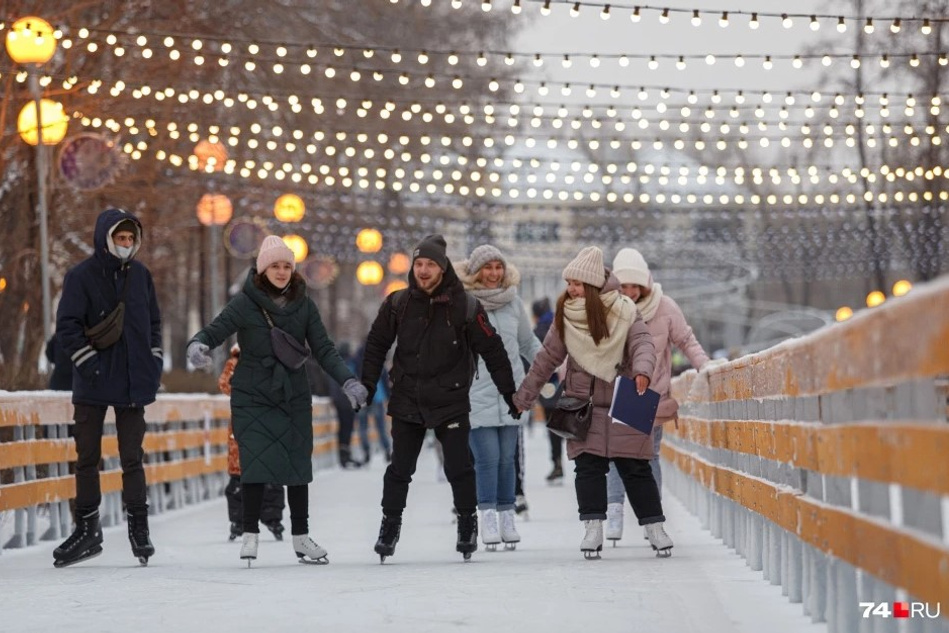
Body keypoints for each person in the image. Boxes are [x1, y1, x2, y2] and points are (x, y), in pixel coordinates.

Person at [187, 235, 367, 566]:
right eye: (275, 266)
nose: (282, 272)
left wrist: (348, 380)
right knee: (254, 463)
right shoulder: (245, 303)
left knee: (298, 465)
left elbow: (324, 348)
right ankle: (250, 534)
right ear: (262, 270)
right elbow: (217, 328)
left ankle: (301, 537)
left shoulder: (304, 305)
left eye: (287, 266)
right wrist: (199, 344)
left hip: (292, 395)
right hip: (252, 394)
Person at [359, 234, 517, 562]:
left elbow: (493, 349)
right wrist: (368, 386)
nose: (424, 270)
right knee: (400, 468)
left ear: (443, 269)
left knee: (459, 467)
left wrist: (509, 393)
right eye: (419, 264)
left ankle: (466, 523)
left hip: (451, 398)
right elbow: (375, 344)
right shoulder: (398, 303)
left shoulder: (466, 306)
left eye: (431, 264)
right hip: (407, 398)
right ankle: (390, 526)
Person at [513, 246, 673, 559]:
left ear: (593, 285)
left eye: (576, 283)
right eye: (568, 283)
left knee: (636, 467)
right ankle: (593, 527)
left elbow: (643, 343)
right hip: (582, 401)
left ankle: (655, 527)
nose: (570, 289)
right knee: (588, 468)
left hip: (629, 394)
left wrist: (642, 371)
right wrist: (524, 397)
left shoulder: (625, 310)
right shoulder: (566, 319)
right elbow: (545, 360)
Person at [52, 208, 163, 568]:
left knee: (133, 457)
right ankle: (87, 528)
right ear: (106, 238)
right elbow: (66, 326)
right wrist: (88, 363)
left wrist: (154, 357)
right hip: (94, 379)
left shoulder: (142, 276)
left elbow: (154, 321)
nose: (127, 245)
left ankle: (139, 527)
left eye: (131, 239)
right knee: (87, 458)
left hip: (133, 380)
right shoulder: (81, 276)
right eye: (121, 238)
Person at [603, 248, 710, 544]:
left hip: (651, 393)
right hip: (618, 392)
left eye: (635, 286)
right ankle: (615, 510)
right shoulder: (607, 308)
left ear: (646, 285)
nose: (630, 292)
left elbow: (685, 339)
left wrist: (706, 365)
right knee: (615, 456)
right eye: (624, 286)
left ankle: (653, 518)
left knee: (648, 456)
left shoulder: (664, 307)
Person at [455, 244, 540, 551]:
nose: (493, 274)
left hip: (511, 392)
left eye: (498, 267)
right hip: (476, 391)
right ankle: (486, 515)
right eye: (487, 268)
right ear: (476, 272)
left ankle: (507, 517)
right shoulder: (462, 303)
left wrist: (551, 367)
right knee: (487, 460)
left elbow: (527, 344)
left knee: (507, 461)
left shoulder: (514, 302)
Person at [219, 344, 285, 542]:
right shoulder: (235, 363)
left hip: (267, 424)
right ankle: (239, 519)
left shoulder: (272, 361)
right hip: (242, 426)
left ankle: (272, 517)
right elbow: (224, 384)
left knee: (270, 475)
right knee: (240, 476)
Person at [531, 297, 565, 484]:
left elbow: (533, 362)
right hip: (566, 384)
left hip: (548, 388)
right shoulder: (562, 325)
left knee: (554, 429)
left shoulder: (537, 332)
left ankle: (557, 463)